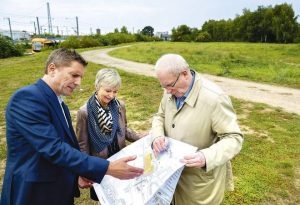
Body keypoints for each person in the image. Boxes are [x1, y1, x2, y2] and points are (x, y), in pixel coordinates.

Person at [0, 48, 143, 205]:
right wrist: (107, 167)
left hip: (57, 189)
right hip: (34, 193)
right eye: (74, 75)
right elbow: (54, 148)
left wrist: (78, 174)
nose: (78, 82)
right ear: (52, 69)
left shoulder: (60, 103)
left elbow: (68, 146)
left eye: (80, 77)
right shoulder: (27, 98)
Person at [151, 54, 243, 205]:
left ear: (185, 74)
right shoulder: (170, 89)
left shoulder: (215, 98)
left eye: (169, 85)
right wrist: (157, 136)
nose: (166, 91)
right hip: (170, 178)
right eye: (163, 86)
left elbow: (234, 138)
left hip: (198, 185)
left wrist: (206, 157)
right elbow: (159, 116)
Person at [76, 68, 146, 200]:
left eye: (115, 91)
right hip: (100, 164)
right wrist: (84, 170)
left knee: (122, 195)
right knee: (105, 198)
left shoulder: (120, 106)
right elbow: (82, 145)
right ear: (97, 86)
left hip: (120, 158)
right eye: (108, 91)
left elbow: (124, 130)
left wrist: (141, 136)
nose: (111, 96)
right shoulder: (84, 112)